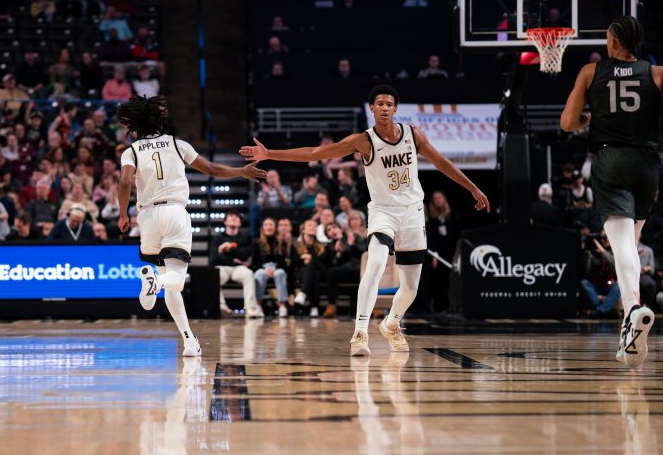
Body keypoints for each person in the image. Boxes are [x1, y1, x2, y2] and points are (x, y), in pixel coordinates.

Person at [242, 84, 489, 357]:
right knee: (375, 263)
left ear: (395, 109)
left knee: (410, 288)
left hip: (412, 212)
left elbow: (442, 163)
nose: (384, 108)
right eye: (379, 104)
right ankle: (359, 333)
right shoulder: (363, 140)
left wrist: (473, 188)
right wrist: (270, 154)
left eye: (389, 104)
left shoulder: (413, 135)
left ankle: (391, 323)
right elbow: (314, 153)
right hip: (382, 212)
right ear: (371, 108)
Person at [560, 15, 663, 367]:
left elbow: (567, 122)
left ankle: (634, 310)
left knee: (621, 245)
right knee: (631, 246)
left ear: (613, 43)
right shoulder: (659, 73)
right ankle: (628, 327)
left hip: (610, 160)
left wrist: (592, 118)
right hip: (647, 162)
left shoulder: (591, 72)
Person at [115, 95, 265, 356]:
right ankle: (156, 284)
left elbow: (125, 182)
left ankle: (189, 340)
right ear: (161, 121)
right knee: (175, 280)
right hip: (174, 211)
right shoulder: (177, 144)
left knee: (168, 280)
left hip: (147, 216)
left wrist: (122, 214)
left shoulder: (131, 151)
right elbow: (211, 169)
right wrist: (241, 171)